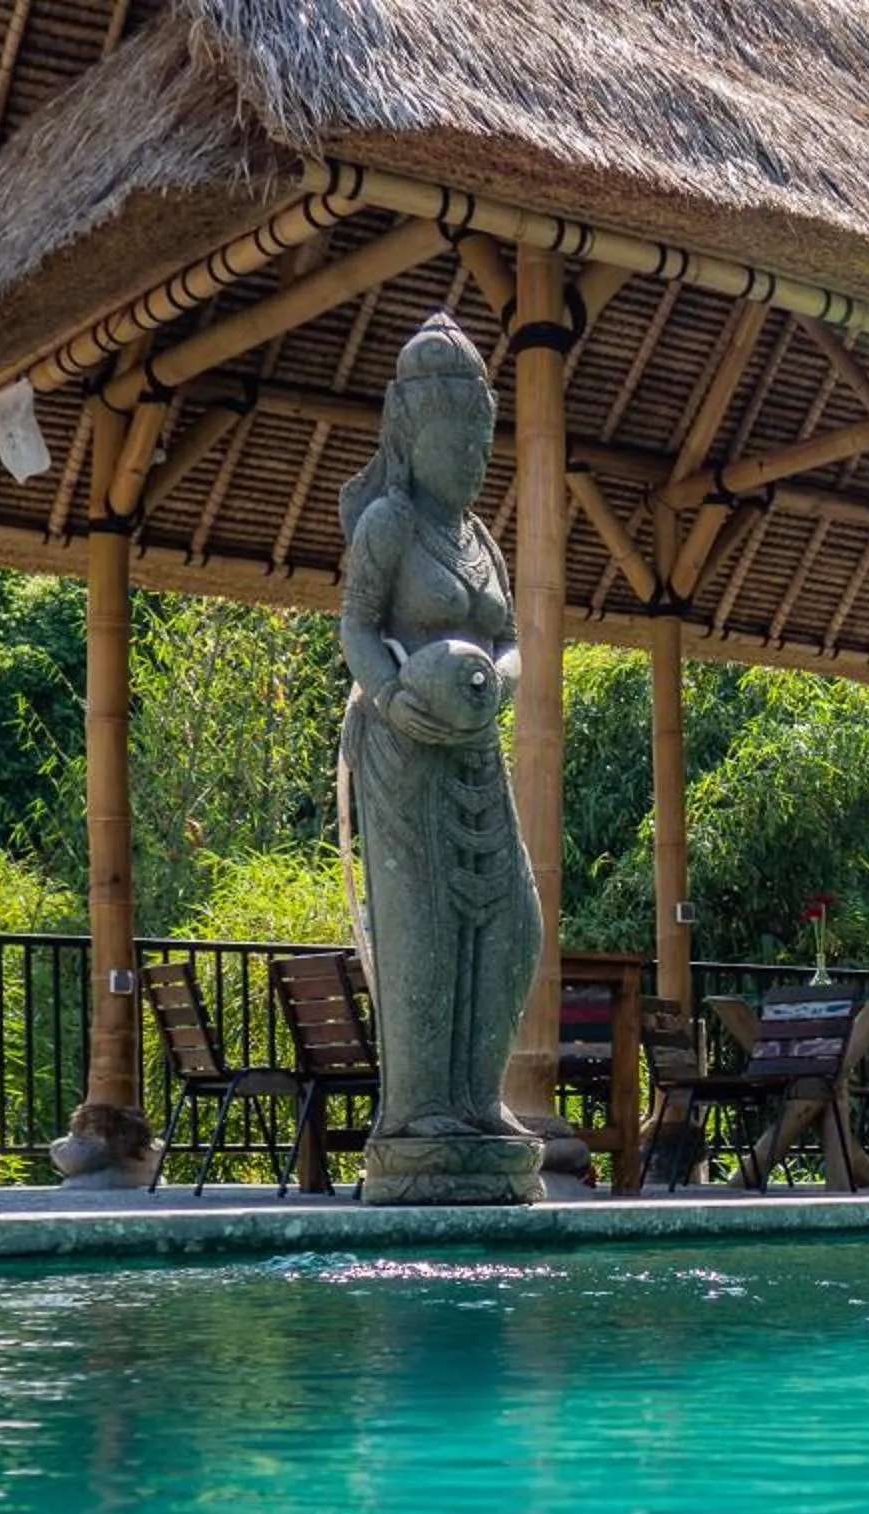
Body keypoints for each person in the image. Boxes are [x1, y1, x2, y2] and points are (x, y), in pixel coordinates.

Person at [336, 314, 540, 1156]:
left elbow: (512, 641)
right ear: (412, 438)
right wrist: (389, 696)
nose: (473, 461)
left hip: (475, 752)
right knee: (420, 927)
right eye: (457, 443)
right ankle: (421, 1110)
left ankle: (478, 1097)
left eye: (482, 446)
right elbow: (356, 624)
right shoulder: (390, 523)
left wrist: (500, 683)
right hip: (405, 747)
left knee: (512, 922)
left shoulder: (480, 539)